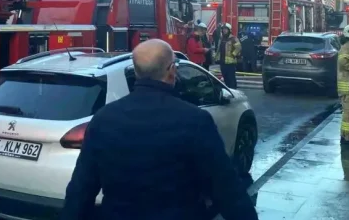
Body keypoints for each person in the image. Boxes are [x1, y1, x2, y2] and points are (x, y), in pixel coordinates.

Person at [62, 39, 258, 220]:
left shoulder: (103, 119)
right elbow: (225, 188)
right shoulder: (194, 120)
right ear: (172, 70)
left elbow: (80, 190)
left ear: (137, 72)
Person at [215, 23, 241, 89]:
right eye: (223, 29)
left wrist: (233, 54)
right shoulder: (221, 39)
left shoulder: (233, 38)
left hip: (230, 63)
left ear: (229, 30)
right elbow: (218, 49)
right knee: (225, 78)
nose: (224, 30)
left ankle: (233, 91)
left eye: (226, 29)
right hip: (222, 62)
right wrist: (216, 57)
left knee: (231, 79)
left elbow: (239, 48)